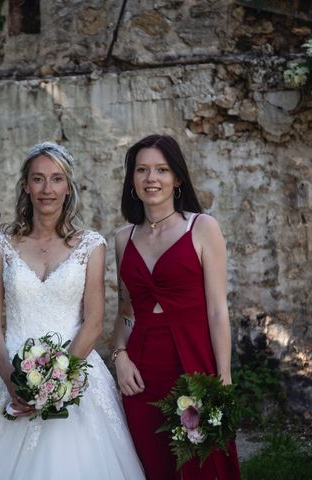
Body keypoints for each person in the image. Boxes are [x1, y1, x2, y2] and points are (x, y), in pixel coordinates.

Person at [0, 142, 145, 479]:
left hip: (75, 371)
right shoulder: (2, 245)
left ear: (68, 186)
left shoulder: (91, 245)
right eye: (38, 179)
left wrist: (57, 380)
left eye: (56, 179)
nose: (47, 189)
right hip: (11, 370)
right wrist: (12, 381)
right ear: (26, 186)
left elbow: (94, 322)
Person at [112, 134, 240, 479]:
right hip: (141, 370)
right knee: (149, 462)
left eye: (161, 170)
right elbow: (126, 312)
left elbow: (217, 310)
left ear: (177, 178)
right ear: (132, 179)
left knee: (201, 462)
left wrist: (223, 379)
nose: (151, 179)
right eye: (142, 170)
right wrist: (120, 357)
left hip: (193, 361)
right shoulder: (124, 239)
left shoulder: (203, 227)